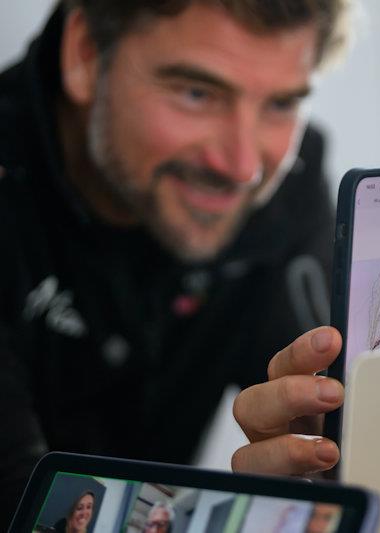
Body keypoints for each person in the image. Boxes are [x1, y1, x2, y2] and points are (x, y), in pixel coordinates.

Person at [0, 0, 353, 524]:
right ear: (85, 54)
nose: (242, 167)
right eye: (197, 93)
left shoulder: (289, 183)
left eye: (280, 104)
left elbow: (329, 456)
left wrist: (323, 477)